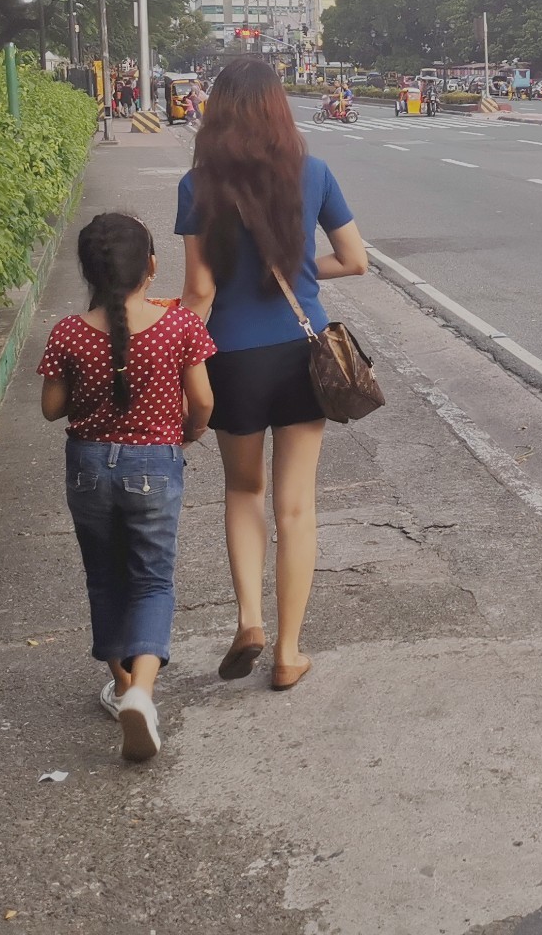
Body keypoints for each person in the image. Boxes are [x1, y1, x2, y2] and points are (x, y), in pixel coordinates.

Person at [177, 56, 369, 691]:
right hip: (299, 354)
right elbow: (355, 260)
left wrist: (175, 354)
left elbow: (200, 291)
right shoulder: (312, 173)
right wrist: (299, 272)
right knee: (296, 507)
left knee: (242, 492)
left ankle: (249, 620)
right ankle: (289, 652)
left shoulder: (196, 186)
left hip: (229, 358)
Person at [39, 212, 215, 763]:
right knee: (152, 581)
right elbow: (204, 402)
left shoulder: (68, 332)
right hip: (154, 465)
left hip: (88, 466)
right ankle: (143, 688)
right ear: (152, 268)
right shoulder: (179, 325)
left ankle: (120, 687)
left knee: (105, 578)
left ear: (89, 272)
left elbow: (51, 409)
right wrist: (183, 437)